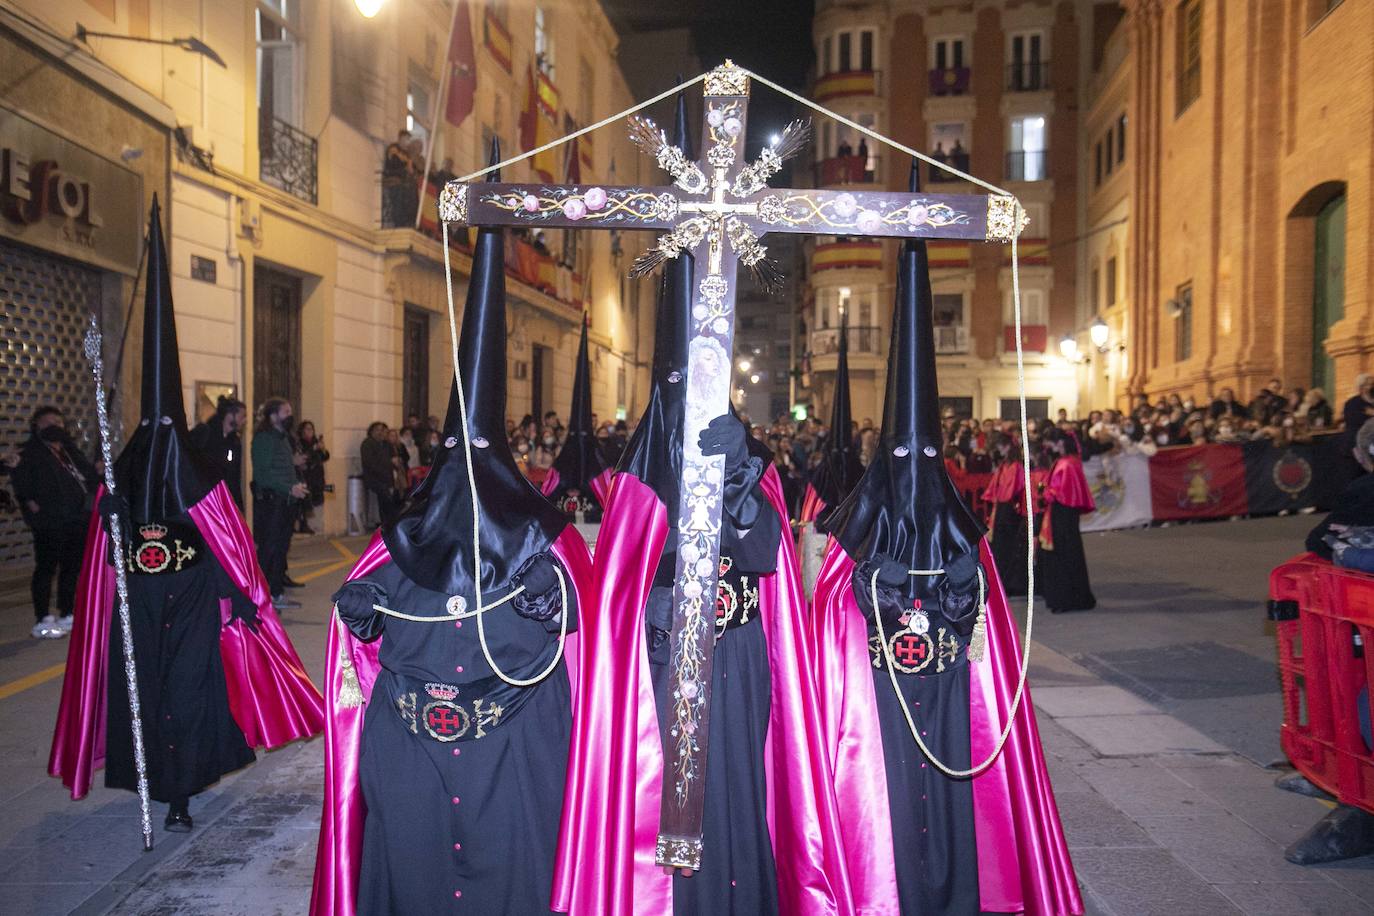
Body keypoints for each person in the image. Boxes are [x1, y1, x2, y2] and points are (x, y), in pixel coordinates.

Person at [553, 93, 850, 916]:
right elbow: (622, 585)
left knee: (738, 787)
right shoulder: (637, 478)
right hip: (657, 663)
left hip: (741, 656)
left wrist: (744, 484)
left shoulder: (744, 456)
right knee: (667, 807)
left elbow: (768, 561)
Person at [311, 146, 594, 914]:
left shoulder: (547, 541)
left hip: (516, 760)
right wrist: (360, 614)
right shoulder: (402, 538)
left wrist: (559, 606)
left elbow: (594, 643)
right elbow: (359, 648)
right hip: (412, 757)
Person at [810, 181, 1082, 914]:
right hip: (877, 717)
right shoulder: (850, 549)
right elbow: (832, 643)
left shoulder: (967, 542)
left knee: (959, 785)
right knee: (889, 795)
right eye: (904, 456)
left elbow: (988, 648)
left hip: (954, 703)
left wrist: (958, 587)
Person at [49, 196, 323, 830]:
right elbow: (106, 549)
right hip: (139, 602)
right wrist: (107, 511)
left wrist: (239, 594)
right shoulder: (127, 466)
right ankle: (157, 782)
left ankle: (181, 791)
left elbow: (224, 542)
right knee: (144, 693)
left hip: (195, 599)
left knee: (189, 693)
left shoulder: (199, 475)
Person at [11, 406, 98, 638]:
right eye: (48, 422)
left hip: (76, 519)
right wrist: (30, 503)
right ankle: (42, 617)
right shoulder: (30, 452)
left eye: (58, 423)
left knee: (71, 568)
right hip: (49, 521)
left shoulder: (69, 452)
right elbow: (17, 476)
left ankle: (67, 611)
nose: (54, 426)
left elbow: (89, 476)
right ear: (36, 426)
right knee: (46, 568)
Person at [543, 314, 611, 522]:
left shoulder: (598, 464)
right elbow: (548, 493)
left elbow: (607, 497)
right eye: (575, 435)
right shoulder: (562, 464)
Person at [252, 398, 307, 609]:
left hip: (286, 501)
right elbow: (262, 475)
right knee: (269, 549)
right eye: (286, 412)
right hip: (272, 502)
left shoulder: (282, 438)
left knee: (281, 549)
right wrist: (289, 488)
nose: (289, 416)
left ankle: (276, 593)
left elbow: (280, 467)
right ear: (273, 415)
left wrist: (295, 484)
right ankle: (262, 595)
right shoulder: (264, 439)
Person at [1037, 428, 1097, 612]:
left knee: (1064, 555)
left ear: (1060, 443)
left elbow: (1061, 492)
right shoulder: (1065, 461)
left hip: (1063, 515)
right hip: (1061, 514)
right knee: (1065, 554)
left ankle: (1066, 598)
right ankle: (1066, 597)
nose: (1047, 445)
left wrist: (1045, 493)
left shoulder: (1067, 464)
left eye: (1049, 442)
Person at [984, 443, 1031, 595]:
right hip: (1001, 509)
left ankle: (1010, 582)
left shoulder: (1016, 467)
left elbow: (1015, 489)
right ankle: (1001, 581)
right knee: (1000, 545)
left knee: (1009, 546)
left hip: (1010, 510)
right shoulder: (1004, 466)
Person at [188, 395, 248, 508]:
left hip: (221, 499)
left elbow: (234, 477)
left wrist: (238, 506)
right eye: (242, 416)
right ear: (230, 414)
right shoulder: (205, 432)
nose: (245, 420)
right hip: (202, 499)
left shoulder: (235, 442)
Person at [360, 422, 399, 526]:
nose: (380, 432)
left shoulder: (386, 444)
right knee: (385, 501)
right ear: (371, 431)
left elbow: (394, 458)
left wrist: (395, 462)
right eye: (377, 430)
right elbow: (369, 462)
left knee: (388, 501)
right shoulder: (367, 444)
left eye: (382, 430)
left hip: (387, 478)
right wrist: (388, 463)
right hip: (375, 478)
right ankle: (384, 523)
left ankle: (388, 523)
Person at [296, 420, 329, 534]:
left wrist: (323, 449)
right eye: (307, 429)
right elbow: (303, 457)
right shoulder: (300, 443)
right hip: (306, 476)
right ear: (302, 431)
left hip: (317, 476)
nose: (310, 431)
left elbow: (325, 457)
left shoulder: (316, 442)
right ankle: (304, 525)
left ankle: (316, 525)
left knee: (317, 500)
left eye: (312, 429)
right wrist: (314, 448)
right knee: (306, 501)